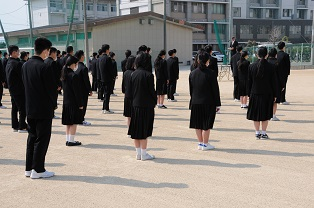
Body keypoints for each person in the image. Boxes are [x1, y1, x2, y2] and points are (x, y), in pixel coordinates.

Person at [22, 37, 56, 179]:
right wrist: (53, 105)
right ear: (45, 51)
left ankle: (29, 168)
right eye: (48, 51)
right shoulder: (44, 66)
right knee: (42, 138)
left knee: (32, 137)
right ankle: (38, 169)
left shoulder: (25, 65)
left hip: (30, 107)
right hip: (43, 109)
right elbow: (50, 89)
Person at [127, 51, 157, 161]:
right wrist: (154, 102)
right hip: (146, 106)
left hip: (135, 106)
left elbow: (128, 93)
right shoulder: (149, 75)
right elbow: (152, 92)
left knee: (136, 131)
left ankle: (138, 153)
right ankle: (144, 154)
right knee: (144, 131)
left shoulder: (132, 74)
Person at [189, 50, 221, 151]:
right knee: (206, 124)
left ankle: (200, 143)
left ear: (198, 60)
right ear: (208, 61)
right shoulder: (211, 73)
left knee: (197, 124)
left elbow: (191, 90)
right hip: (208, 102)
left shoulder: (192, 73)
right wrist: (217, 104)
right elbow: (215, 90)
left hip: (195, 101)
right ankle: (205, 143)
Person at [247, 47, 277, 140]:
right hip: (267, 93)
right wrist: (275, 94)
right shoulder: (271, 67)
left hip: (254, 93)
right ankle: (263, 133)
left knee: (256, 114)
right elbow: (274, 82)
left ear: (257, 55)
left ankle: (257, 133)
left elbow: (249, 82)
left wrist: (249, 94)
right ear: (267, 55)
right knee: (265, 114)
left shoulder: (251, 66)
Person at [61, 55, 83, 146]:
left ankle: (68, 139)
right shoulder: (74, 76)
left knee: (68, 122)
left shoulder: (64, 75)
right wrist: (80, 104)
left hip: (66, 102)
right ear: (73, 64)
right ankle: (71, 140)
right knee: (74, 122)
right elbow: (77, 92)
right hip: (73, 102)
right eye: (76, 64)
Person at [6, 45, 28, 133]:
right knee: (22, 108)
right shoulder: (17, 63)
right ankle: (22, 126)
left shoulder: (9, 62)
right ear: (14, 52)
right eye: (18, 52)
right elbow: (22, 77)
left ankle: (15, 125)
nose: (19, 53)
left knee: (15, 107)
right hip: (19, 89)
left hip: (12, 89)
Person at [74, 50, 92, 126]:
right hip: (83, 90)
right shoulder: (83, 68)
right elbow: (86, 80)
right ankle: (81, 119)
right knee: (83, 104)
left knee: (77, 105)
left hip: (76, 89)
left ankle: (77, 118)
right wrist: (90, 90)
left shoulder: (75, 67)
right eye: (84, 55)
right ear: (81, 57)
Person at [44, 47, 62, 119]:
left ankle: (49, 113)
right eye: (55, 53)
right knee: (53, 99)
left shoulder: (45, 61)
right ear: (53, 53)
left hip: (46, 84)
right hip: (53, 85)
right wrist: (58, 84)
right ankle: (52, 114)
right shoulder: (52, 62)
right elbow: (56, 75)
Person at [267, 48, 285, 121]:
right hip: (276, 84)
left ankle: (267, 114)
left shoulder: (266, 62)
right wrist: (282, 85)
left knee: (268, 100)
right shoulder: (278, 63)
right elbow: (281, 75)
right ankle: (273, 115)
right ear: (275, 54)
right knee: (275, 101)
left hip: (267, 83)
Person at [98, 44, 114, 113]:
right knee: (107, 94)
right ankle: (106, 109)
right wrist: (113, 76)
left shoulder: (100, 58)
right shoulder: (108, 58)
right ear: (107, 50)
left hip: (102, 78)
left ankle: (104, 108)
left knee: (105, 93)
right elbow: (110, 69)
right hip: (108, 79)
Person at [122, 55, 136, 130]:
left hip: (127, 96)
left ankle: (129, 130)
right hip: (134, 96)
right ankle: (133, 129)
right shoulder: (134, 73)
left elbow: (123, 86)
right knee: (134, 115)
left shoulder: (126, 72)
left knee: (128, 116)